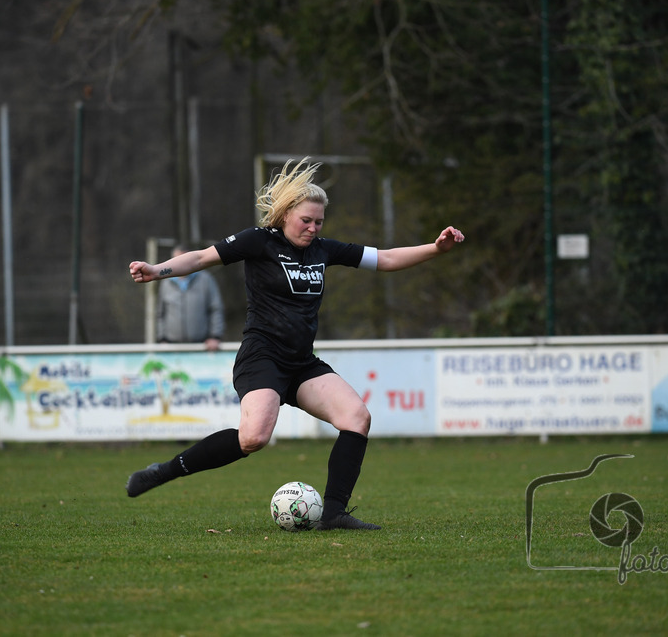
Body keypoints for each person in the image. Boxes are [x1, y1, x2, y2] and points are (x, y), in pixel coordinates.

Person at [125, 158, 465, 530]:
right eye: (306, 220)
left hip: (301, 362)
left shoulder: (322, 249)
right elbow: (203, 257)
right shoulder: (259, 241)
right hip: (262, 357)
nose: (313, 228)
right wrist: (158, 271)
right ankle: (164, 472)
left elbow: (383, 259)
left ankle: (333, 514)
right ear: (285, 214)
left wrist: (436, 248)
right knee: (253, 438)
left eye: (319, 222)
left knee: (356, 417)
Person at [156, 244, 226, 351]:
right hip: (171, 347)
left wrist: (215, 336)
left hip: (201, 346)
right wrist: (162, 338)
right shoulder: (166, 283)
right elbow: (160, 313)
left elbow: (216, 309)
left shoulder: (206, 280)